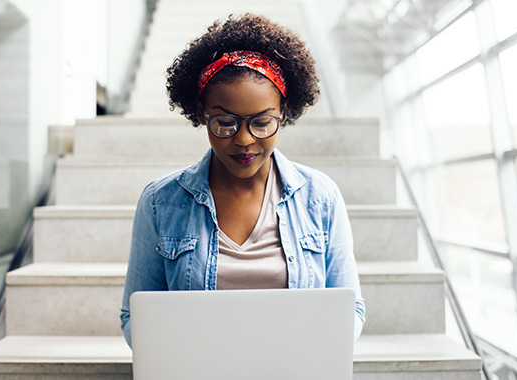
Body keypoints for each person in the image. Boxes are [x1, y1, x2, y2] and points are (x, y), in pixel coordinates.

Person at [120, 13, 365, 347]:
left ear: (284, 113)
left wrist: (316, 354)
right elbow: (136, 315)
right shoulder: (161, 202)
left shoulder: (320, 197)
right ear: (202, 113)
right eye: (225, 122)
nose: (244, 140)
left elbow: (351, 308)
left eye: (262, 122)